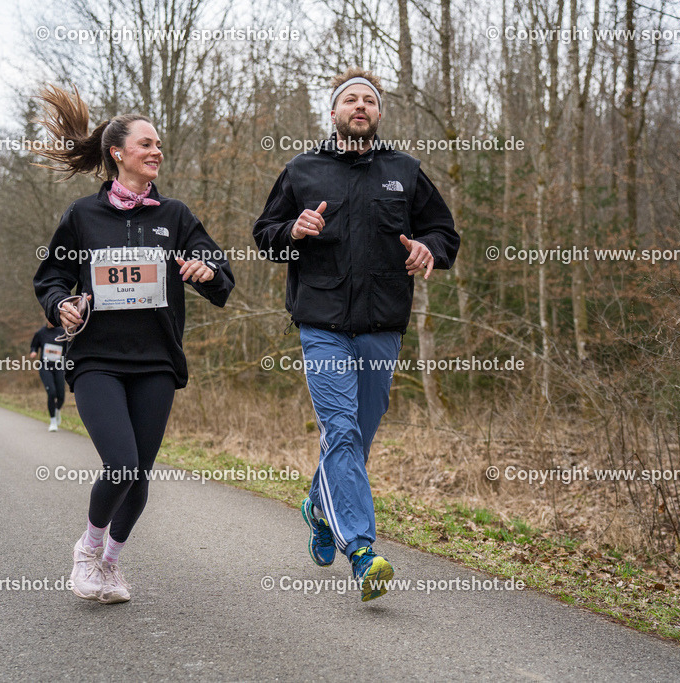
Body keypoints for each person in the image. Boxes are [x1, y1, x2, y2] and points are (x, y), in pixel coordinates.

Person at [253, 68, 459, 601]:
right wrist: (292, 231)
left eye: (369, 99)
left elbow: (444, 232)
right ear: (334, 112)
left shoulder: (405, 171)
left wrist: (428, 249)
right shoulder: (303, 170)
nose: (360, 106)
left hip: (381, 325)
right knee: (340, 429)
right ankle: (363, 551)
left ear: (380, 113)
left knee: (358, 437)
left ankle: (320, 507)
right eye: (351, 99)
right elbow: (265, 237)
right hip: (321, 324)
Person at [33, 85, 235, 604]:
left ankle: (111, 565)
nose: (157, 151)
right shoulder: (83, 216)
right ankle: (87, 550)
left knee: (140, 473)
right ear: (117, 153)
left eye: (160, 144)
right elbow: (51, 276)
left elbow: (223, 279)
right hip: (97, 357)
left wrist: (204, 270)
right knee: (120, 462)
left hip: (157, 362)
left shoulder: (176, 216)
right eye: (146, 143)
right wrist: (62, 306)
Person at [29, 321, 67, 431]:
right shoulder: (41, 332)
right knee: (51, 392)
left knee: (61, 396)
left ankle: (57, 410)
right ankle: (53, 421)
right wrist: (33, 352)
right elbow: (34, 345)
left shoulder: (62, 332)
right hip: (45, 367)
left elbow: (67, 348)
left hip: (59, 367)